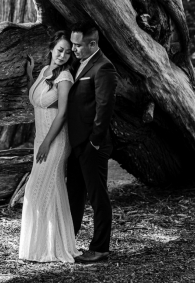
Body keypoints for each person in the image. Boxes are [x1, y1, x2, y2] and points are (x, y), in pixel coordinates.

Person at [19, 31, 81, 262]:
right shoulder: (45, 72)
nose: (63, 55)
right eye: (59, 50)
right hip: (40, 140)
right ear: (52, 49)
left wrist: (46, 143)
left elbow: (63, 113)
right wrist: (29, 74)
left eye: (67, 51)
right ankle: (48, 246)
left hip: (54, 141)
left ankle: (48, 247)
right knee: (50, 190)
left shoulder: (64, 76)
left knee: (36, 190)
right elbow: (38, 99)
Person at [66, 22, 118, 263]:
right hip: (76, 143)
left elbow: (104, 107)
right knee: (74, 195)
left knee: (98, 197)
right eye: (73, 44)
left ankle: (100, 248)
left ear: (92, 44)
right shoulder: (79, 63)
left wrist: (94, 143)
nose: (73, 49)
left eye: (78, 45)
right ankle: (68, 241)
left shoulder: (104, 67)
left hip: (92, 145)